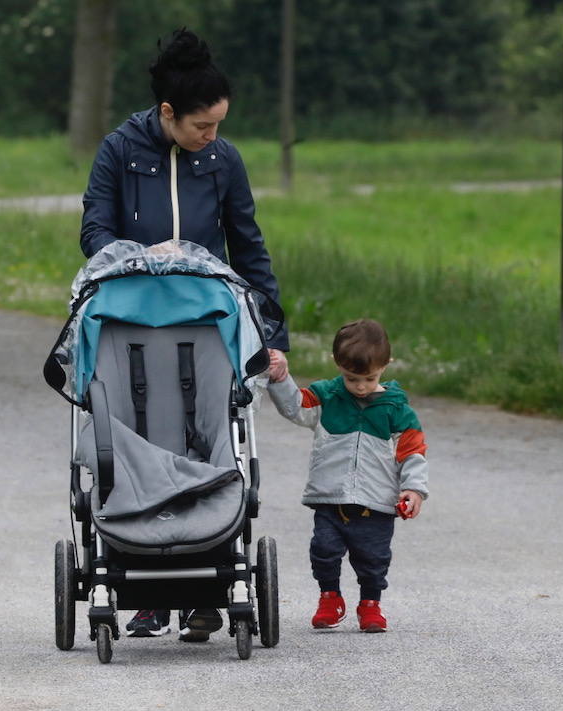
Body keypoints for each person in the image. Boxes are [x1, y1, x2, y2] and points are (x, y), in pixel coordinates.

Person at [80, 27, 290, 642]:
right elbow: (95, 229)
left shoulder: (223, 161)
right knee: (141, 428)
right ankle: (142, 583)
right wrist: (141, 258)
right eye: (203, 126)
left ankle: (208, 586)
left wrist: (271, 329)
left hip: (204, 320)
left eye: (219, 125)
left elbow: (248, 247)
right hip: (131, 320)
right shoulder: (119, 150)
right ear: (168, 113)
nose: (212, 137)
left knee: (206, 432)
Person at [266, 319, 427, 632]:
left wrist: (414, 490)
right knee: (323, 551)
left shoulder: (396, 409)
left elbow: (413, 452)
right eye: (352, 378)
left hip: (377, 501)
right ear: (337, 364)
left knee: (373, 559)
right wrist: (280, 379)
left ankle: (371, 604)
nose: (361, 386)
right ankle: (330, 598)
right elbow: (295, 407)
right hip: (331, 497)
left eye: (369, 378)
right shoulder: (327, 396)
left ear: (386, 366)